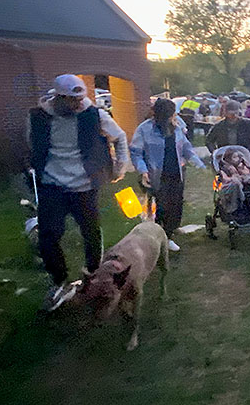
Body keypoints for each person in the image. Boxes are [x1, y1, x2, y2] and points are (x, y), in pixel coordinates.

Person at [27, 74, 130, 311]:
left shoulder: (94, 115)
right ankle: (59, 280)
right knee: (49, 235)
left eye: (80, 99)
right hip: (52, 184)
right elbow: (32, 142)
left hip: (84, 184)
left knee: (91, 231)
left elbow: (120, 137)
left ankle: (93, 273)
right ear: (58, 97)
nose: (77, 104)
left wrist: (120, 167)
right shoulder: (38, 117)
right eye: (72, 100)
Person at [130, 98, 205, 252]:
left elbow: (186, 147)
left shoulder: (177, 126)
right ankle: (164, 237)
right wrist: (143, 171)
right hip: (157, 174)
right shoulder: (144, 129)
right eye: (172, 114)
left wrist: (200, 164)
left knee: (177, 203)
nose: (175, 116)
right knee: (162, 206)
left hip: (176, 172)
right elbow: (136, 153)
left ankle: (172, 228)